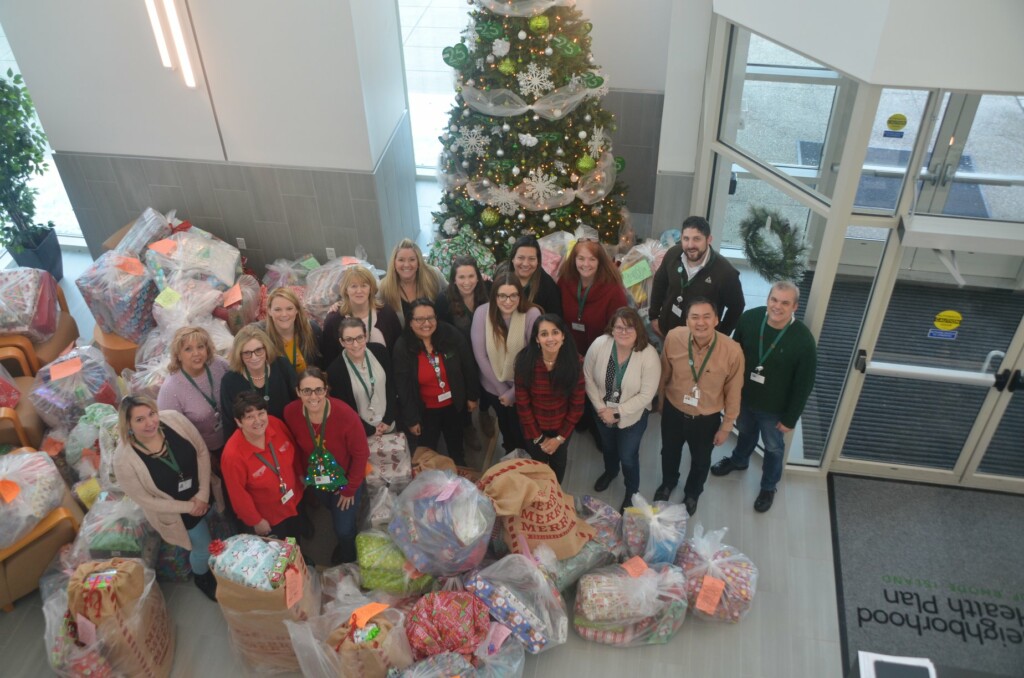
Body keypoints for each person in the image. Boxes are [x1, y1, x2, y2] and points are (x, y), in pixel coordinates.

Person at [710, 281, 817, 512]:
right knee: (745, 431)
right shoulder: (750, 319)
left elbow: (804, 385)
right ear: (768, 299)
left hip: (774, 407)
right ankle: (739, 460)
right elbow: (734, 356)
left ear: (795, 307)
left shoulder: (803, 341)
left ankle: (768, 486)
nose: (777, 306)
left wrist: (790, 418)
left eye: (785, 303)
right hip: (744, 397)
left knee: (773, 448)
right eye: (774, 300)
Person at [113, 396, 217, 600]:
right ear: (128, 425)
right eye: (140, 419)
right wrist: (189, 506)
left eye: (152, 414)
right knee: (202, 549)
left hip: (203, 492)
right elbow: (146, 500)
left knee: (214, 528)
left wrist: (203, 494)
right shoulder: (123, 459)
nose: (150, 423)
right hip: (179, 512)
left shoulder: (175, 420)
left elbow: (202, 452)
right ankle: (202, 576)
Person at [655, 298, 743, 516]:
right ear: (687, 320)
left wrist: (726, 426)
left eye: (706, 317)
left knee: (701, 460)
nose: (700, 322)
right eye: (694, 317)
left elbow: (734, 392)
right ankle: (668, 482)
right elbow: (664, 373)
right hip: (674, 411)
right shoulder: (674, 338)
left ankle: (692, 493)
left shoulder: (732, 351)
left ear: (716, 320)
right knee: (669, 451)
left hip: (707, 418)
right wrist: (660, 402)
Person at [283, 368, 369, 564]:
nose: (313, 397)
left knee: (344, 529)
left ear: (326, 390)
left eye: (318, 390)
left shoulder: (345, 415)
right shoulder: (291, 413)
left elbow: (361, 454)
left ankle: (349, 560)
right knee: (332, 508)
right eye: (306, 391)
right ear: (298, 392)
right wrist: (301, 476)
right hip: (317, 478)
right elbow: (293, 447)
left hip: (345, 480)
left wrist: (350, 489)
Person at [584, 308, 661, 511]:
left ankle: (631, 490)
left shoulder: (649, 355)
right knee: (608, 448)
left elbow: (647, 395)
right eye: (619, 327)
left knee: (628, 456)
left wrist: (617, 412)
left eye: (629, 327)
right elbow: (588, 377)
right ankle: (610, 472)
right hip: (602, 411)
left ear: (638, 330)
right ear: (612, 328)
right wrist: (602, 409)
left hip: (632, 417)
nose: (623, 332)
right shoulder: (601, 344)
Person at [393, 299, 479, 466]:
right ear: (410, 322)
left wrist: (472, 396)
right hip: (425, 412)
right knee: (428, 452)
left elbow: (468, 365)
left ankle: (460, 476)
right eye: (419, 319)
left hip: (453, 406)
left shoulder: (450, 335)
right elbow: (403, 387)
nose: (426, 323)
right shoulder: (402, 347)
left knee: (457, 450)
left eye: (431, 318)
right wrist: (411, 419)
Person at [471, 272, 540, 453]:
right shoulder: (482, 313)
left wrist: (515, 392)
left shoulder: (532, 314)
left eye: (513, 295)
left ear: (520, 295)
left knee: (524, 427)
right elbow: (481, 356)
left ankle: (527, 459)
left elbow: (534, 357)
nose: (508, 301)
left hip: (525, 385)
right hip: (494, 385)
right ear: (494, 296)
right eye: (502, 295)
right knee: (506, 425)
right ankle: (509, 453)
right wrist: (503, 390)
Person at [221, 391, 304, 539]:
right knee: (282, 551)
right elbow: (238, 494)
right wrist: (256, 521)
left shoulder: (275, 424)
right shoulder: (232, 455)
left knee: (296, 535)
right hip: (270, 517)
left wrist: (301, 475)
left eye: (261, 413)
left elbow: (294, 450)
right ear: (239, 422)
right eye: (249, 417)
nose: (258, 421)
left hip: (294, 498)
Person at [514, 314, 585, 483]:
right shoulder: (525, 362)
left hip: (562, 428)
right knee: (537, 465)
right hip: (534, 429)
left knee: (559, 464)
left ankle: (556, 493)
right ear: (537, 339)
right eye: (544, 334)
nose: (550, 338)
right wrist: (538, 437)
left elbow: (577, 406)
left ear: (563, 336)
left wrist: (559, 438)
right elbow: (523, 405)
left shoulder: (576, 362)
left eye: (555, 332)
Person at [649, 216, 745, 337]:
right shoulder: (673, 254)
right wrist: (654, 316)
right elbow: (659, 283)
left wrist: (720, 335)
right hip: (667, 332)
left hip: (701, 341)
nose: (690, 245)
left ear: (709, 239)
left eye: (696, 239)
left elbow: (737, 307)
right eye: (686, 239)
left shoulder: (726, 273)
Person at [157, 326, 230, 459]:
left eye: (200, 347)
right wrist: (203, 457)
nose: (196, 353)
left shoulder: (218, 364)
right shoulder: (170, 389)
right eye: (188, 349)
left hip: (234, 434)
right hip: (205, 452)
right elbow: (173, 433)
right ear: (178, 355)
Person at [220, 326, 298, 438]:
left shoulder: (282, 366)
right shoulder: (229, 381)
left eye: (258, 350)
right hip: (253, 441)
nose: (254, 357)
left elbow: (297, 402)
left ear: (266, 348)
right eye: (247, 353)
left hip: (287, 435)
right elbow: (229, 423)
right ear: (239, 355)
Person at [327, 317, 397, 436]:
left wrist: (388, 419)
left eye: (359, 337)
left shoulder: (380, 352)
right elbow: (345, 410)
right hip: (360, 432)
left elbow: (391, 386)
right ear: (341, 342)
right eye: (349, 339)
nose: (355, 344)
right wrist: (370, 430)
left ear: (366, 336)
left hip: (389, 425)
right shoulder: (335, 371)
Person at [557, 239, 628, 355]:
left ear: (600, 262)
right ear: (574, 260)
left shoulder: (613, 290)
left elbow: (619, 331)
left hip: (601, 356)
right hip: (567, 354)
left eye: (592, 259)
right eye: (581, 258)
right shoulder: (564, 282)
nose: (586, 264)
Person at [321, 265, 401, 366]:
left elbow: (399, 352)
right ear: (346, 289)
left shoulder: (387, 313)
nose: (359, 291)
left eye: (364, 285)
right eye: (353, 286)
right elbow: (329, 360)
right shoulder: (333, 320)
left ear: (370, 288)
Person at [378, 239, 446, 325]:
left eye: (412, 259)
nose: (406, 265)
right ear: (394, 263)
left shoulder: (434, 275)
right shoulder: (383, 287)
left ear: (418, 262)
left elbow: (451, 294)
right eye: (401, 260)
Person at [263, 287, 322, 373]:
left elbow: (322, 366)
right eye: (278, 309)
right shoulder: (262, 337)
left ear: (297, 309)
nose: (284, 314)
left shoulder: (312, 330)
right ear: (269, 311)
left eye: (289, 309)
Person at [437, 255, 491, 344]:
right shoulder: (443, 300)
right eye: (461, 277)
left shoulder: (488, 289)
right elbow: (442, 336)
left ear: (478, 277)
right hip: (459, 352)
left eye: (471, 276)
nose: (467, 282)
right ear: (454, 279)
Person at [508, 235, 562, 316]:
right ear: (513, 259)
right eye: (521, 258)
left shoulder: (548, 286)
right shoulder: (502, 279)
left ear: (538, 261)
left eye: (531, 259)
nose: (525, 263)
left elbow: (555, 319)